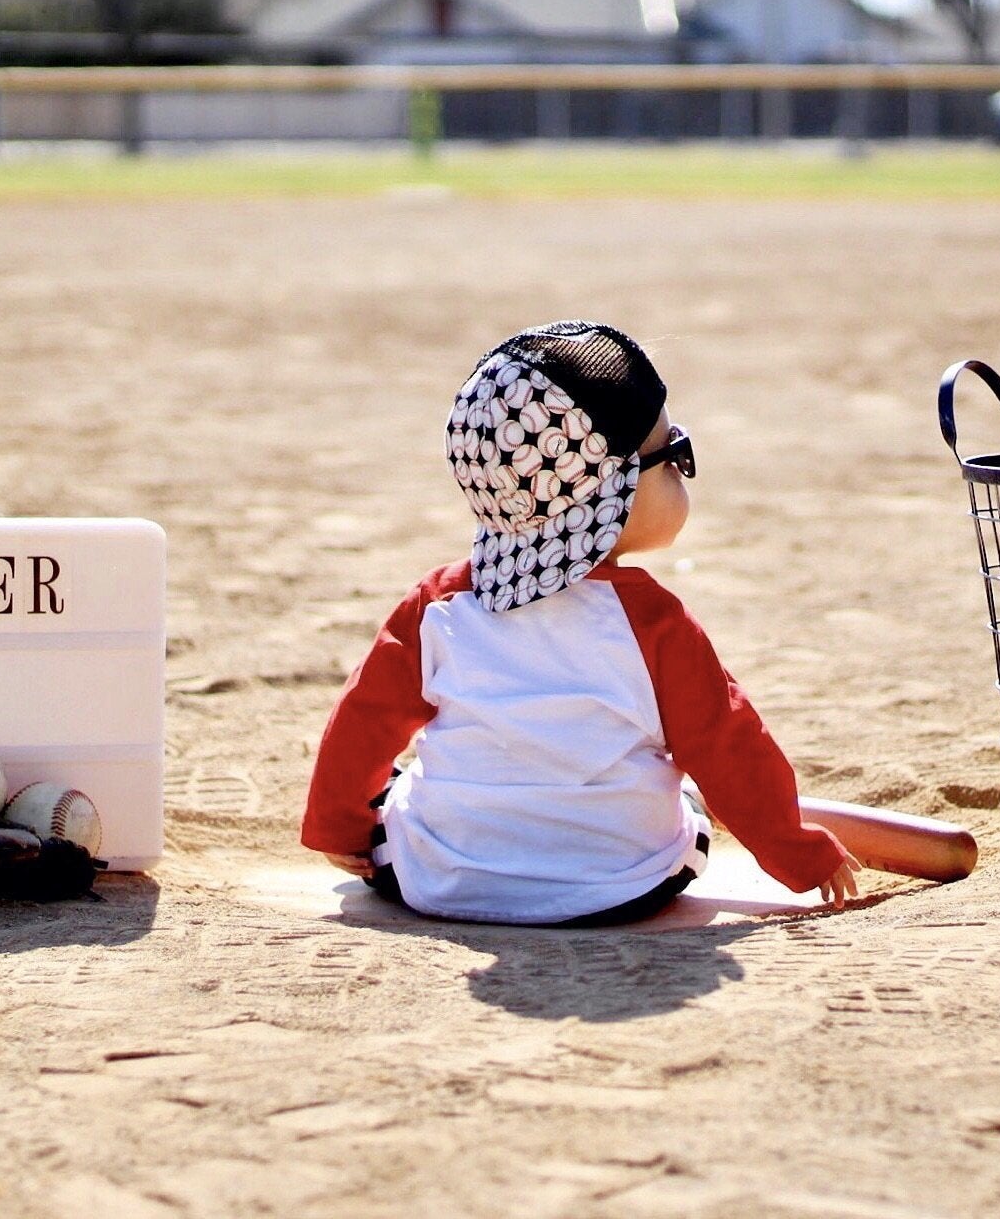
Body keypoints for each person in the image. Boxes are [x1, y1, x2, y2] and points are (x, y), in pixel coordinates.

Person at [301, 321, 862, 926]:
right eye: (673, 458)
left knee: (400, 787)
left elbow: (363, 722)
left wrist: (341, 830)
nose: (683, 472)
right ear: (613, 495)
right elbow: (728, 749)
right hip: (618, 886)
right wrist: (799, 854)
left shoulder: (439, 605)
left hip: (448, 881)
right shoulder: (653, 624)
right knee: (690, 809)